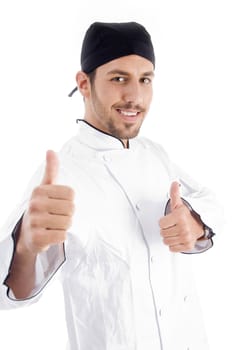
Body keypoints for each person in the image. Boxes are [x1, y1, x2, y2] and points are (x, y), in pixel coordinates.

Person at [0, 21, 222, 350]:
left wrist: (196, 223)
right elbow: (7, 295)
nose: (134, 96)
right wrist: (25, 249)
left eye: (145, 80)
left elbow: (212, 201)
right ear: (84, 84)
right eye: (119, 78)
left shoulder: (155, 153)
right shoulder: (61, 174)